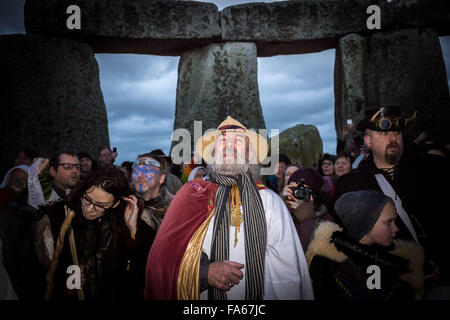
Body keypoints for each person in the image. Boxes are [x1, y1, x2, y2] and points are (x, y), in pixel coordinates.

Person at [145, 116, 314, 300]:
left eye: (239, 140)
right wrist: (203, 272)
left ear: (250, 154)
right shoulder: (191, 194)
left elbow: (288, 273)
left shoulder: (269, 201)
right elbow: (163, 256)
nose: (229, 145)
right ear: (213, 152)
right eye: (222, 140)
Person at [334, 106, 449, 287]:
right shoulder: (351, 185)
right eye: (383, 134)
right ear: (368, 141)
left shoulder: (432, 169)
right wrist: (399, 274)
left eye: (396, 132)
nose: (392, 138)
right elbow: (354, 245)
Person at [40, 166, 155, 300]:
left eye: (100, 205)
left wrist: (134, 229)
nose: (89, 209)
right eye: (87, 199)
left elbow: (146, 269)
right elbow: (42, 273)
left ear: (116, 204)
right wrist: (68, 283)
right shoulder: (63, 219)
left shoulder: (123, 222)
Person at [307, 190, 424, 300]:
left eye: (394, 221)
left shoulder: (394, 259)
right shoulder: (331, 265)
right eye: (388, 222)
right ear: (365, 224)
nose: (396, 228)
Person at [282, 168, 333, 252]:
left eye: (300, 188)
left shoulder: (325, 222)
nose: (294, 193)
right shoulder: (285, 214)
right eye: (291, 188)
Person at [132, 151, 174, 233]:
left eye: (147, 170)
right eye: (136, 171)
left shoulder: (175, 207)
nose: (139, 175)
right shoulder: (125, 205)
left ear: (161, 178)